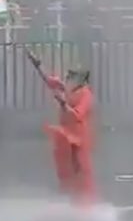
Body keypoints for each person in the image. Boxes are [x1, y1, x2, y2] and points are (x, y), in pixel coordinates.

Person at [27, 50, 96, 206]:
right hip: (66, 136)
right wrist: (37, 65)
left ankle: (84, 204)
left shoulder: (85, 95)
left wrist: (63, 104)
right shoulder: (68, 88)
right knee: (65, 172)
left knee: (79, 172)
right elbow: (49, 81)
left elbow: (77, 115)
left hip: (77, 140)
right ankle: (70, 199)